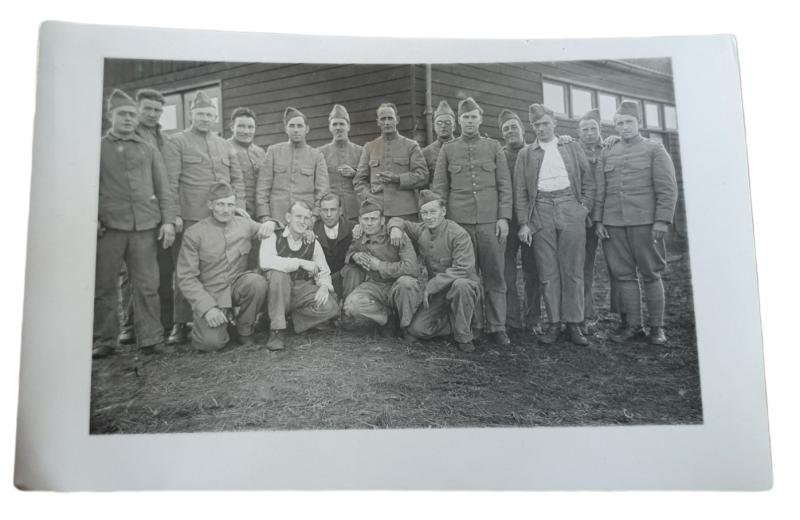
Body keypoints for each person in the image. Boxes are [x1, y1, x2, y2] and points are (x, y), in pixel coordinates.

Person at [93, 89, 177, 359]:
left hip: (144, 228)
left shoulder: (149, 149)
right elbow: (87, 187)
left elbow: (164, 189)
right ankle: (104, 339)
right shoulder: (98, 148)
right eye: (123, 114)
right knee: (104, 286)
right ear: (110, 116)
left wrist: (167, 222)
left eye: (131, 114)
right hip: (110, 229)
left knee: (147, 285)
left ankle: (151, 338)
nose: (128, 119)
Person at [162, 90, 245, 345]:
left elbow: (237, 179)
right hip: (191, 218)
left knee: (220, 268)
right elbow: (170, 181)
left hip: (223, 217)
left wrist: (238, 206)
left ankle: (222, 315)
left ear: (215, 116)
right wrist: (173, 214)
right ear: (191, 115)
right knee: (185, 271)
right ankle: (180, 324)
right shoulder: (177, 142)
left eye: (209, 114)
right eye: (200, 114)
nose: (205, 118)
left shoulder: (224, 145)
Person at [594, 100, 678, 345]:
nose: (624, 127)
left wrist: (662, 220)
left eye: (628, 122)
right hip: (613, 224)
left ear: (639, 123)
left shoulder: (655, 149)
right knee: (623, 275)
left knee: (651, 273)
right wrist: (599, 220)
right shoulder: (608, 151)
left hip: (645, 223)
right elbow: (601, 189)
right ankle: (633, 326)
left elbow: (667, 188)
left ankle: (657, 328)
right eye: (619, 123)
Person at [431, 97, 513, 346]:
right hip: (460, 224)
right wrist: (445, 223)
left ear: (480, 119)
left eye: (473, 117)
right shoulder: (448, 149)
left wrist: (504, 218)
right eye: (465, 117)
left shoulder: (493, 147)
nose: (469, 121)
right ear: (459, 120)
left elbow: (504, 186)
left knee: (495, 275)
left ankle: (498, 326)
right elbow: (440, 188)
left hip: (490, 222)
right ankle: (474, 325)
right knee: (467, 276)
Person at [514, 103, 595, 346]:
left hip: (570, 205)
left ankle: (574, 324)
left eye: (545, 123)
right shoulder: (526, 154)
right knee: (548, 271)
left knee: (573, 268)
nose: (541, 128)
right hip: (541, 209)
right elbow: (520, 192)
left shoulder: (571, 146)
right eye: (536, 125)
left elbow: (589, 181)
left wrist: (584, 209)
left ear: (554, 123)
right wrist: (524, 223)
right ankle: (554, 323)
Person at [176, 181, 271, 352]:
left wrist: (271, 224)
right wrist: (207, 308)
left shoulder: (245, 224)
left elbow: (272, 231)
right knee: (210, 344)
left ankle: (244, 329)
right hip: (211, 294)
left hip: (236, 286)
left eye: (230, 205)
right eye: (220, 204)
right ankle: (222, 324)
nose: (226, 210)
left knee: (257, 282)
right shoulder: (194, 233)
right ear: (210, 205)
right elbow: (186, 278)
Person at [387, 190, 481, 352]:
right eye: (424, 213)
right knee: (417, 330)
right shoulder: (421, 229)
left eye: (433, 212)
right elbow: (398, 220)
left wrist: (432, 285)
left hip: (460, 286)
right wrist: (395, 227)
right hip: (438, 293)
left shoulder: (458, 234)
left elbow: (463, 269)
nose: (429, 217)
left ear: (443, 212)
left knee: (462, 285)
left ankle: (464, 335)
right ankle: (452, 323)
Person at [117, 87, 173, 345]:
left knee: (161, 270)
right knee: (134, 273)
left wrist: (169, 217)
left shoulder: (162, 138)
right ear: (137, 109)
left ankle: (160, 323)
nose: (153, 114)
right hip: (133, 218)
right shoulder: (126, 136)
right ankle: (129, 325)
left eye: (157, 110)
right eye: (148, 109)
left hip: (160, 216)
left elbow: (166, 182)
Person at [260, 200, 340, 351]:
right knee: (279, 274)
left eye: (306, 218)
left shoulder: (312, 241)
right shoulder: (273, 235)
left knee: (331, 307)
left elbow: (324, 271)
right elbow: (265, 261)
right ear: (288, 217)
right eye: (298, 217)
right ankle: (277, 330)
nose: (302, 222)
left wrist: (324, 286)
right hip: (275, 290)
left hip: (300, 289)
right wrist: (300, 262)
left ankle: (286, 319)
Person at [342, 201, 420, 337]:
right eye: (366, 219)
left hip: (397, 284)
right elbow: (350, 252)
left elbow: (412, 268)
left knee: (407, 284)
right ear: (360, 221)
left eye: (374, 219)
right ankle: (388, 320)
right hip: (375, 285)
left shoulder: (396, 235)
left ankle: (407, 328)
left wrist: (380, 266)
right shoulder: (360, 236)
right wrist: (355, 256)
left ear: (382, 220)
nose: (370, 223)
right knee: (351, 305)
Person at [498, 108, 544, 338]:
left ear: (522, 128)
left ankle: (533, 318)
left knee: (532, 270)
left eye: (513, 127)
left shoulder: (535, 152)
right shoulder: (498, 155)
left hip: (531, 221)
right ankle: (512, 320)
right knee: (507, 273)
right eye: (505, 129)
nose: (510, 132)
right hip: (507, 222)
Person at [577, 108, 620, 332]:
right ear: (579, 132)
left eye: (593, 128)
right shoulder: (573, 149)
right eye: (584, 129)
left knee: (619, 266)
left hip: (611, 215)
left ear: (600, 129)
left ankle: (624, 315)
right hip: (587, 217)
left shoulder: (612, 146)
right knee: (586, 266)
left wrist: (618, 138)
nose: (589, 133)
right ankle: (586, 313)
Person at [256, 107, 329, 228]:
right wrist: (265, 217)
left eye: (300, 126)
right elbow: (262, 188)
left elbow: (322, 190)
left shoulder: (316, 156)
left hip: (305, 220)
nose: (296, 130)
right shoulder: (273, 152)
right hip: (277, 219)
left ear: (307, 129)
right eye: (292, 126)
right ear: (286, 128)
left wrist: (314, 216)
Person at [354, 102, 429, 221]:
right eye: (383, 119)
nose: (387, 122)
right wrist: (369, 198)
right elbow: (359, 180)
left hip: (405, 211)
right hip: (377, 212)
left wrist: (398, 179)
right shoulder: (369, 147)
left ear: (397, 120)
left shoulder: (411, 146)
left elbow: (423, 176)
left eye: (390, 118)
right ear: (378, 122)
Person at [317, 104, 363, 222]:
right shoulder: (320, 153)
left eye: (342, 124)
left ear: (348, 126)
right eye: (334, 124)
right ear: (330, 127)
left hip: (355, 211)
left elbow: (369, 179)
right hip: (330, 212)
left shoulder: (361, 151)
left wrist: (355, 173)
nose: (338, 127)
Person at [313, 192, 354, 297]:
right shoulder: (312, 229)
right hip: (321, 281)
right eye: (325, 210)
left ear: (340, 211)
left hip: (346, 281)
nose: (329, 215)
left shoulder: (353, 228)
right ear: (320, 212)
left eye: (333, 210)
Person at [421, 100, 456, 180]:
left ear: (454, 126)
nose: (443, 126)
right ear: (434, 126)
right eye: (439, 123)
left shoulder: (462, 148)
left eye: (447, 122)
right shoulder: (426, 153)